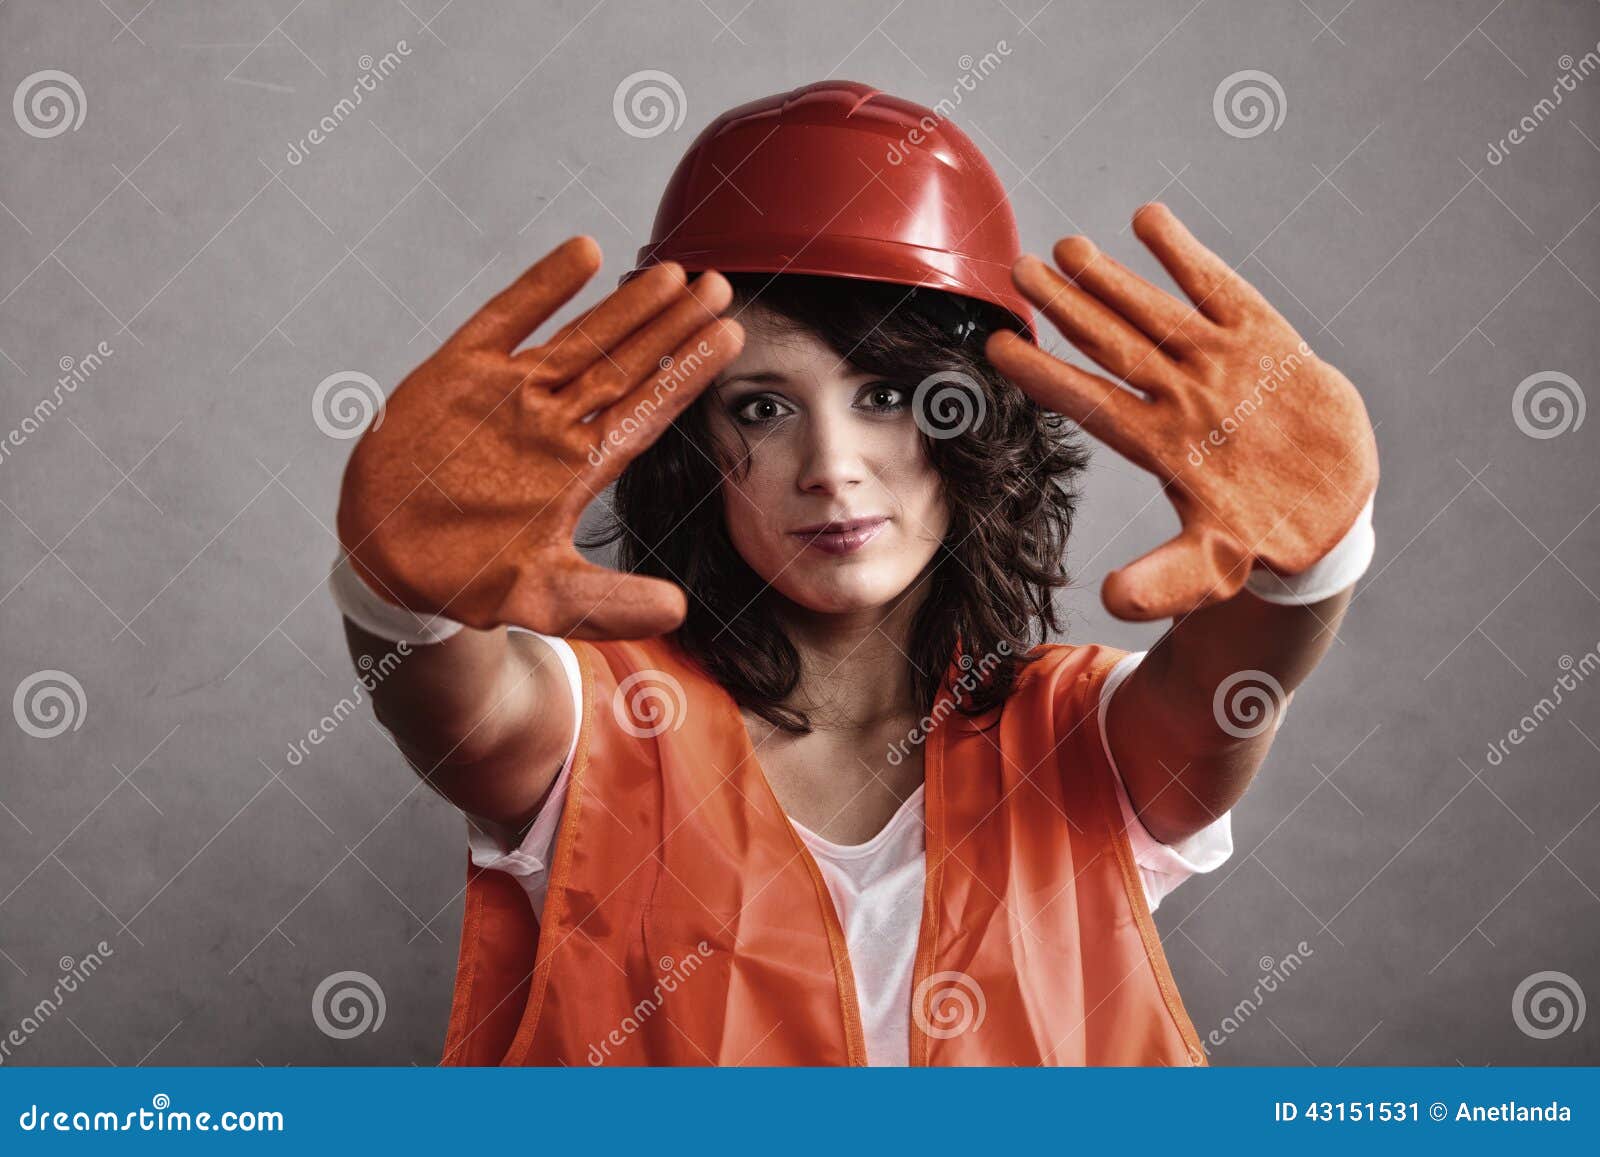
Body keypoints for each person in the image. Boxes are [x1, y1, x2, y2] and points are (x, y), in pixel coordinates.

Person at [328, 81, 1378, 1066]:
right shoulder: (591, 728)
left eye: (885, 394)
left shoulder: (1089, 735)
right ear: (689, 443)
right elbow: (447, 692)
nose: (831, 469)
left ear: (976, 421)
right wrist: (396, 593)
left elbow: (1239, 675)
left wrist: (1315, 549)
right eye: (762, 406)